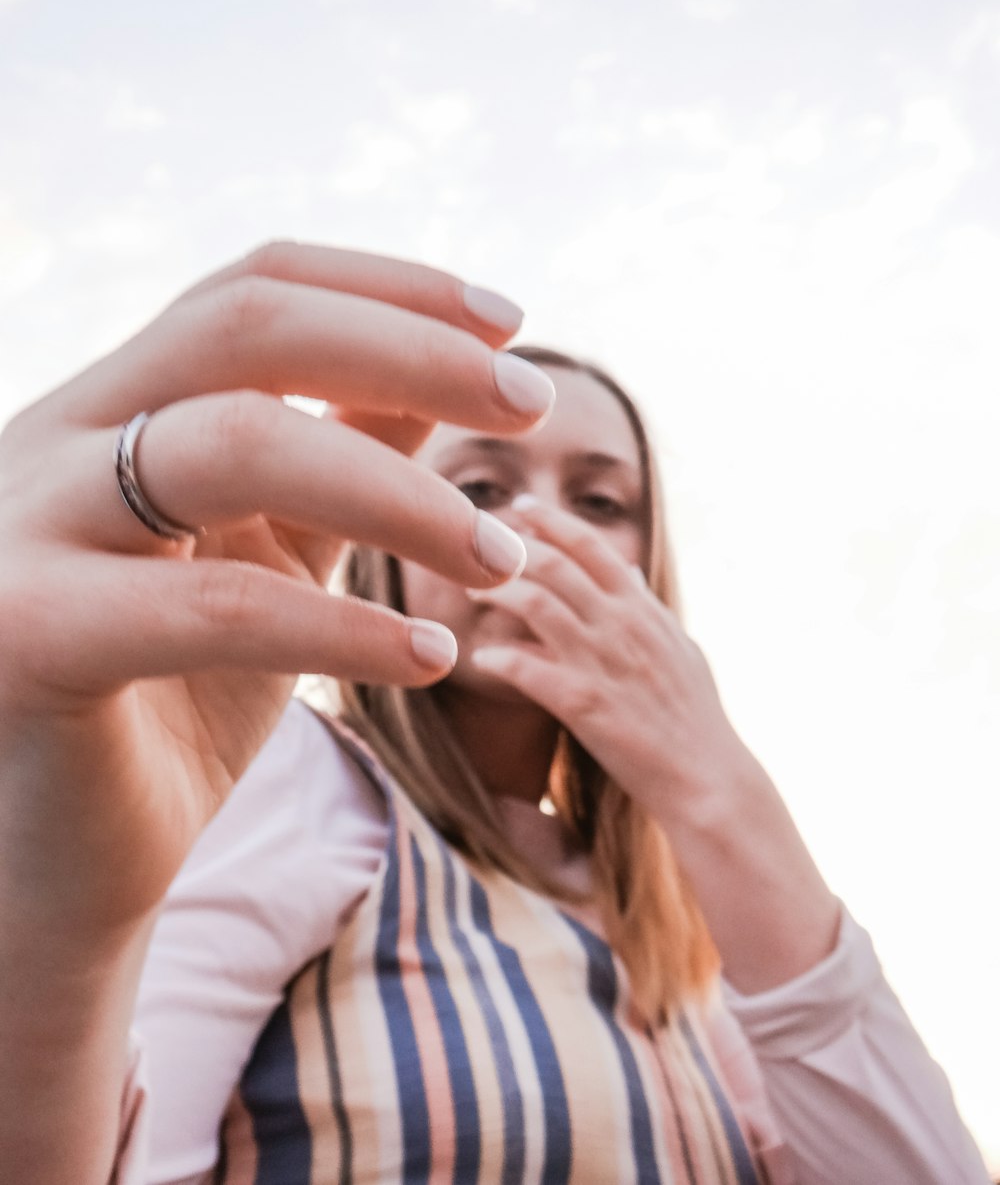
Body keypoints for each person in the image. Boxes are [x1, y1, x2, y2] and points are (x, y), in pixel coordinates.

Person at [0, 242, 989, 1185]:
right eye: (479, 487)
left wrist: (718, 784)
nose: (541, 525)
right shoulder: (303, 781)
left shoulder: (696, 934)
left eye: (601, 501)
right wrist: (60, 925)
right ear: (386, 537)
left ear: (653, 565)